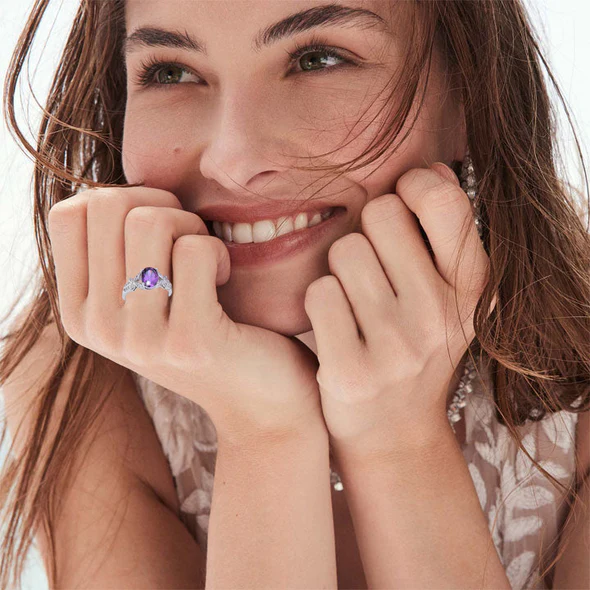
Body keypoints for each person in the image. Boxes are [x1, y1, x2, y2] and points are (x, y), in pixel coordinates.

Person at [0, 0, 588, 588]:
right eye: (170, 72)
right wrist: (264, 426)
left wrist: (399, 436)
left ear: (470, 96)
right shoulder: (84, 379)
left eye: (317, 59)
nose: (232, 161)